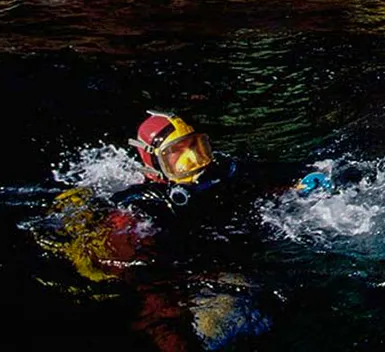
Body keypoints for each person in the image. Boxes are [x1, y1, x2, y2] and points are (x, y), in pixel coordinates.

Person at [32, 111, 272, 349]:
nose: (193, 158)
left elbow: (267, 177)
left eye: (198, 146)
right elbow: (147, 289)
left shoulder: (218, 175)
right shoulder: (136, 215)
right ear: (155, 163)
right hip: (162, 279)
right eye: (176, 152)